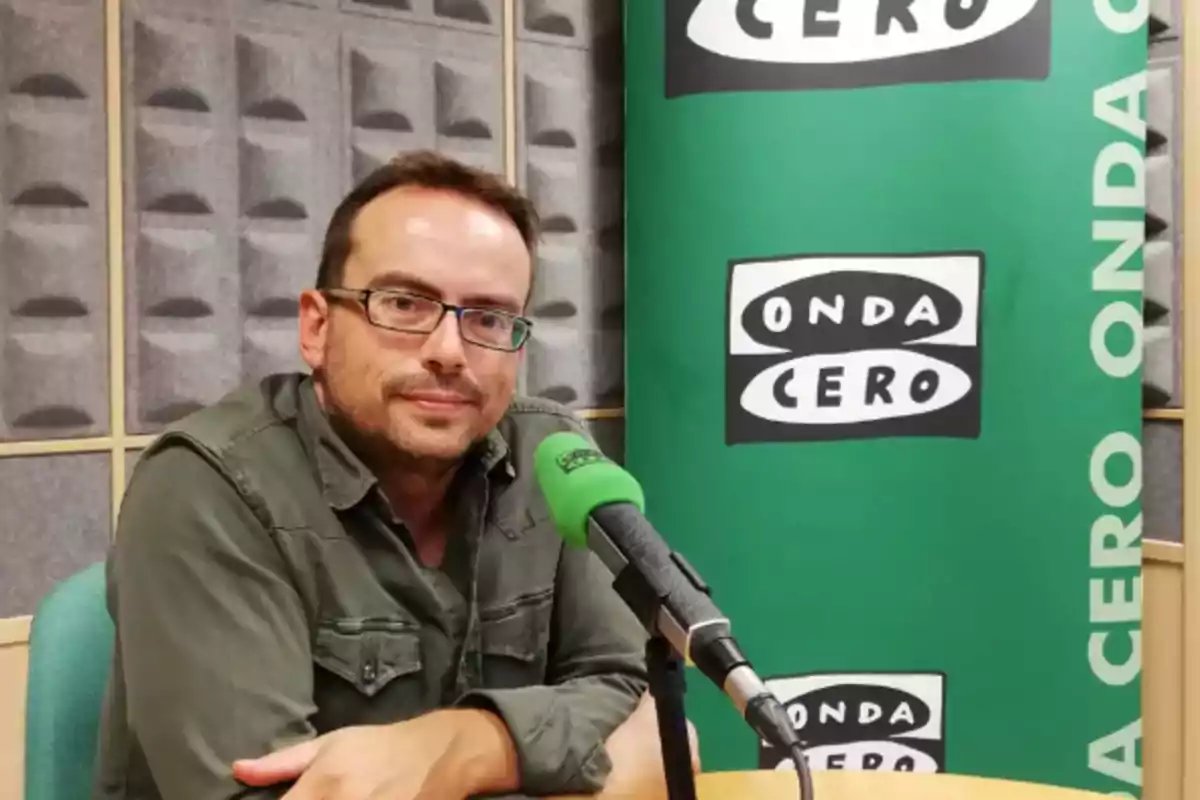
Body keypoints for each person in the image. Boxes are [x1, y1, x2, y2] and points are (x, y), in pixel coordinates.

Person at [93, 150, 697, 800]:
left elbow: (636, 702)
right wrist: (571, 764)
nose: (447, 351)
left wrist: (470, 746)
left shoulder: (551, 457)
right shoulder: (206, 488)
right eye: (404, 303)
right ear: (317, 327)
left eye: (489, 318)